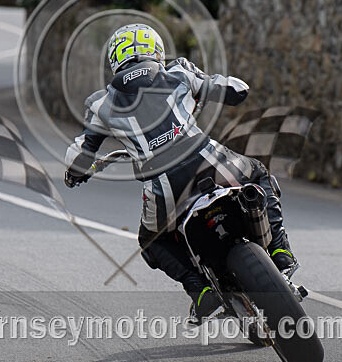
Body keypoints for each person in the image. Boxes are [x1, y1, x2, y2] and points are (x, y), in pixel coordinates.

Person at [64, 24, 297, 319]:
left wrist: (76, 174)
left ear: (115, 59)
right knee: (260, 174)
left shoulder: (101, 103)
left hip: (164, 186)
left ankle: (199, 290)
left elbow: (78, 156)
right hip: (211, 160)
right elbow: (237, 89)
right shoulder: (178, 72)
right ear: (156, 50)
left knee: (151, 240)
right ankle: (279, 249)